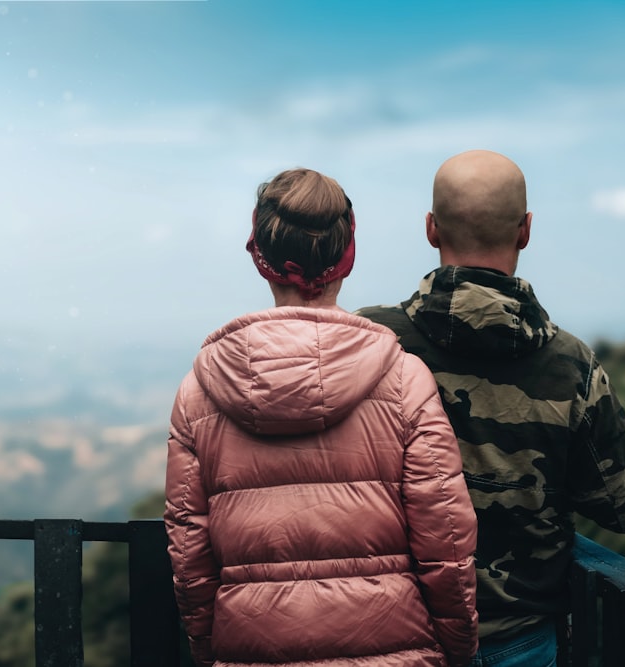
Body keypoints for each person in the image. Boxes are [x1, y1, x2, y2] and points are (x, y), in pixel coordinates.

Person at [164, 167, 479, 667]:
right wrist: (458, 648)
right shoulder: (404, 380)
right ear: (345, 257)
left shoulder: (198, 392)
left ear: (260, 258)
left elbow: (190, 554)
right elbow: (446, 540)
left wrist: (209, 648)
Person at [356, 149, 625, 667]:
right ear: (525, 230)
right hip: (520, 641)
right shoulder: (570, 364)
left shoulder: (367, 342)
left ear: (431, 229)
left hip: (395, 637)